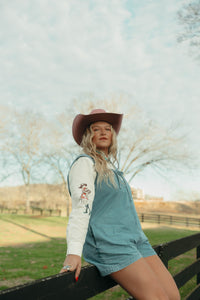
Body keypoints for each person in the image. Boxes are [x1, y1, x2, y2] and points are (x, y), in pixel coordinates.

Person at [60, 109, 180, 300]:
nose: (103, 132)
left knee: (173, 296)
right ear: (87, 136)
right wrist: (74, 252)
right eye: (96, 129)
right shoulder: (84, 164)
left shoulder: (112, 167)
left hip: (137, 241)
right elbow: (81, 208)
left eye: (108, 129)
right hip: (110, 243)